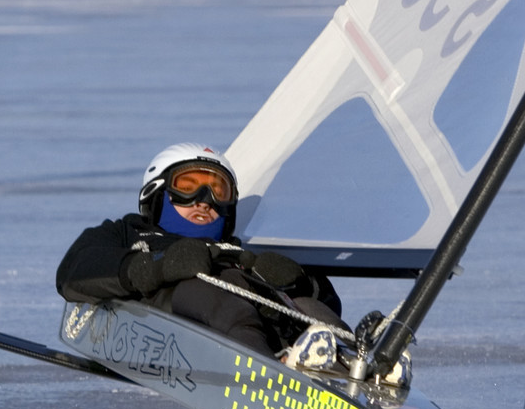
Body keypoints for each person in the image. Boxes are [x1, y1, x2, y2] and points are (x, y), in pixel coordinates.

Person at [56, 142, 348, 368]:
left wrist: (301, 281)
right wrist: (157, 268)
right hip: (177, 309)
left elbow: (329, 303)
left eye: (218, 191)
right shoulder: (127, 232)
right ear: (157, 193)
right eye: (188, 187)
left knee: (309, 307)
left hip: (250, 320)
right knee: (216, 300)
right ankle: (267, 378)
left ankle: (357, 366)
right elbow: (72, 273)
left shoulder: (238, 252)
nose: (204, 201)